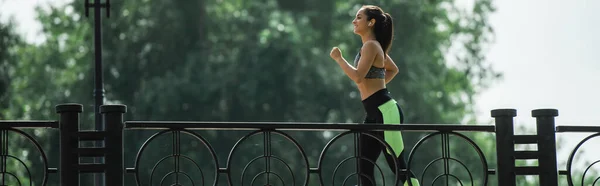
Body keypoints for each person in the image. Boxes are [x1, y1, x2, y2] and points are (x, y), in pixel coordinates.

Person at [329, 5, 420, 186]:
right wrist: (375, 85)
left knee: (397, 165)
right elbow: (392, 70)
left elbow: (357, 76)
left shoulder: (371, 46)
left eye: (359, 17)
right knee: (364, 165)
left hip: (385, 111)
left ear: (371, 22)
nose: (354, 21)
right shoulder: (371, 46)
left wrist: (339, 58)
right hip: (374, 113)